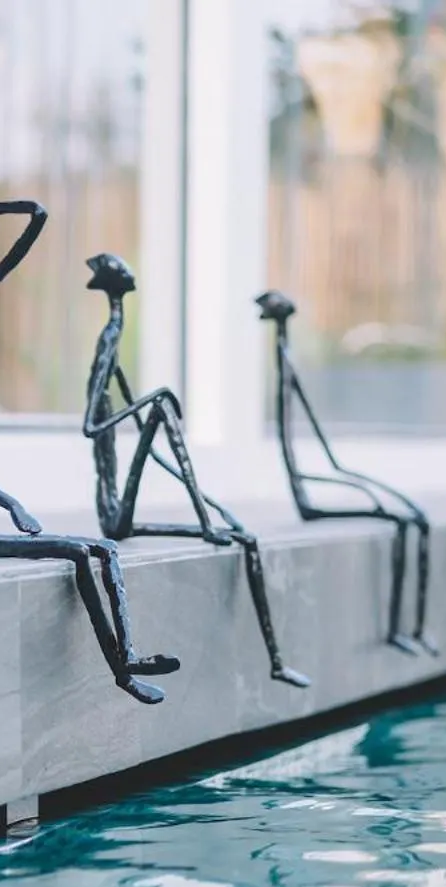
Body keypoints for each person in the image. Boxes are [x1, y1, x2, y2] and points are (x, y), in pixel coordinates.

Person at [0, 198, 179, 705]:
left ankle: (127, 655)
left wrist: (8, 502)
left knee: (103, 549)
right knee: (79, 552)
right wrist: (7, 504)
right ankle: (122, 670)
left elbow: (37, 215)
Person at [82, 253, 310, 688]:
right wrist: (155, 403)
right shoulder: (109, 335)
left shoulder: (115, 333)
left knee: (246, 538)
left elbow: (136, 421)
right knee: (163, 402)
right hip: (112, 511)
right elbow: (91, 424)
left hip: (121, 505)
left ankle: (276, 662)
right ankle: (207, 524)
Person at [258, 289, 435, 655]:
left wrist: (359, 481)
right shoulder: (285, 362)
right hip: (307, 491)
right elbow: (310, 446)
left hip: (312, 478)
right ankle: (397, 631)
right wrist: (355, 481)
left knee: (417, 520)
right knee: (405, 524)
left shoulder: (287, 360)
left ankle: (414, 628)